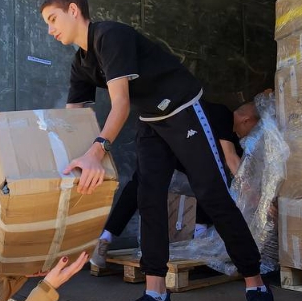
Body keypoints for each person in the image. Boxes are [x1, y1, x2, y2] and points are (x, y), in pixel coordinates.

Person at [40, 0, 278, 301]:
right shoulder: (81, 63)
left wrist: (96, 151)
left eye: (52, 19)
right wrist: (61, 164)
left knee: (213, 195)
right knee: (148, 200)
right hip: (152, 122)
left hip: (183, 108)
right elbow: (72, 118)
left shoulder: (110, 36)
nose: (50, 29)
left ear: (74, 10)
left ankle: (257, 288)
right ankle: (156, 298)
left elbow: (120, 104)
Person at [90, 100, 263, 266]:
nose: (247, 135)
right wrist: (254, 192)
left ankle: (106, 237)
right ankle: (200, 237)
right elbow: (231, 159)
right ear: (246, 120)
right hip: (171, 139)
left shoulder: (215, 119)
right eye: (251, 130)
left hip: (165, 139)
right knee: (208, 176)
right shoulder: (224, 115)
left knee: (144, 183)